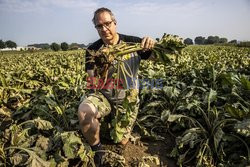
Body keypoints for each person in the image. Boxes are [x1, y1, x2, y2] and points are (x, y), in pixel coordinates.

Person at [78, 7, 156, 166]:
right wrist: (94, 98)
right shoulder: (93, 50)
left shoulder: (134, 43)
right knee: (84, 112)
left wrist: (152, 45)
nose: (104, 29)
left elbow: (155, 57)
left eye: (107, 24)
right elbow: (91, 82)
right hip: (103, 97)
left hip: (127, 100)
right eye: (99, 26)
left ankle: (110, 121)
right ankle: (97, 149)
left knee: (120, 141)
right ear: (96, 28)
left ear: (115, 23)